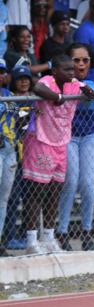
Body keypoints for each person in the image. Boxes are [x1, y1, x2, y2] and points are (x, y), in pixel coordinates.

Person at [22, 54, 94, 254]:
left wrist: (88, 91)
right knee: (36, 192)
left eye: (73, 69)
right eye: (67, 69)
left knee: (54, 192)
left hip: (62, 142)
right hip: (41, 140)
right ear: (55, 71)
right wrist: (57, 98)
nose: (72, 73)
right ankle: (31, 241)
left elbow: (92, 94)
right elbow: (36, 87)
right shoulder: (48, 81)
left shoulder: (75, 84)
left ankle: (48, 237)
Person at [57, 43, 94, 251]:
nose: (81, 64)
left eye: (85, 60)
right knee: (70, 182)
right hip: (69, 135)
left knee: (87, 184)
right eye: (76, 60)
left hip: (91, 135)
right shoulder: (63, 81)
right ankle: (61, 231)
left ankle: (86, 230)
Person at [3, 65, 34, 252]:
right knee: (12, 198)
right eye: (20, 78)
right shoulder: (9, 101)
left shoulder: (35, 100)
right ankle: (7, 237)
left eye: (27, 78)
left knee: (30, 197)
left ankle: (25, 234)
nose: (24, 81)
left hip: (31, 156)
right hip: (14, 155)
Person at [0, 60, 17, 257]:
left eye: (2, 72)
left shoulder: (9, 96)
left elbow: (19, 117)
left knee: (3, 198)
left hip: (10, 149)